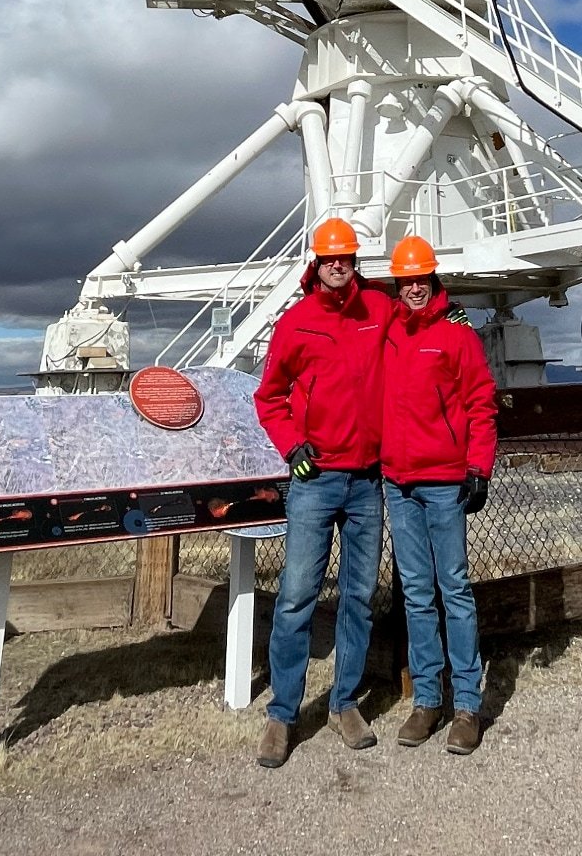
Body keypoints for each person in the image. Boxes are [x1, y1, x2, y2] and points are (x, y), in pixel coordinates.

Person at [252, 214, 392, 769]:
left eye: (347, 257)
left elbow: (417, 321)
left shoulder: (376, 311)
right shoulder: (296, 323)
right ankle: (283, 713)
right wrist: (292, 447)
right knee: (295, 599)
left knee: (358, 597)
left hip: (367, 479)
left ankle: (343, 703)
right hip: (315, 479)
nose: (339, 265)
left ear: (355, 262)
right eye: (331, 258)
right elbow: (270, 398)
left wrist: (451, 316)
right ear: (317, 263)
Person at [381, 234, 498, 755]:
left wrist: (479, 467)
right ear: (398, 285)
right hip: (398, 482)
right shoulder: (387, 331)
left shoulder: (457, 337)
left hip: (444, 480)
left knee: (454, 590)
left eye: (421, 279)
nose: (414, 289)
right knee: (416, 594)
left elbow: (480, 402)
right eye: (405, 281)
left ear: (434, 280)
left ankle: (468, 703)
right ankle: (427, 699)